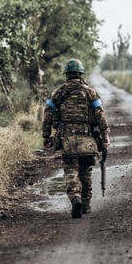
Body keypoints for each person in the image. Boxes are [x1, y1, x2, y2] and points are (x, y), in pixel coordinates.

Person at [41, 58, 110, 219]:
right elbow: (100, 115)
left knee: (71, 170)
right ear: (80, 74)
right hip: (87, 140)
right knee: (86, 171)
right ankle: (85, 204)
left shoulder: (58, 93)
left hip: (67, 140)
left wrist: (46, 136)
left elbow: (48, 114)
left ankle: (75, 198)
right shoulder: (90, 92)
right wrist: (105, 136)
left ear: (66, 74)